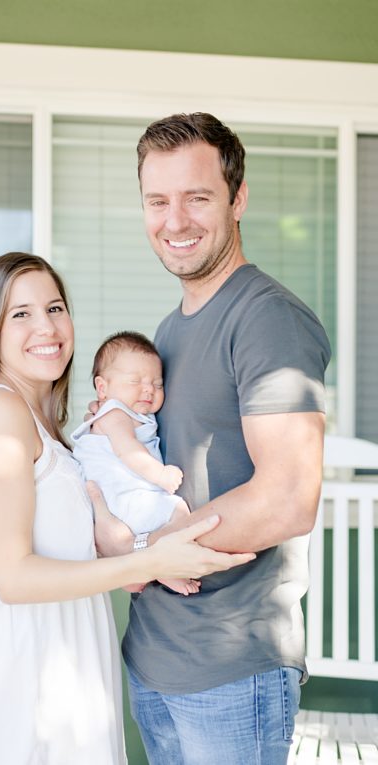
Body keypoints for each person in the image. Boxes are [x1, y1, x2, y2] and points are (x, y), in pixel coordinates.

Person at [0, 252, 255, 764]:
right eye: (21, 314)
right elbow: (12, 578)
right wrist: (152, 561)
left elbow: (76, 543)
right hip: (27, 676)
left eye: (56, 307)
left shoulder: (47, 424)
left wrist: (143, 544)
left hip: (66, 662)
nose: (48, 326)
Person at [92, 113, 331, 765]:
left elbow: (288, 496)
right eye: (157, 201)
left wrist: (143, 552)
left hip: (231, 670)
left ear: (238, 197)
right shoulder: (166, 333)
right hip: (154, 653)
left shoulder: (266, 319)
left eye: (197, 197)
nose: (175, 220)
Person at [70, 331, 194, 595]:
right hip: (121, 499)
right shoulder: (115, 413)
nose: (148, 389)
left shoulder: (125, 412)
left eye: (157, 384)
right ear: (102, 388)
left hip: (121, 502)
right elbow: (129, 451)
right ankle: (162, 568)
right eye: (135, 381)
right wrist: (160, 475)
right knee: (180, 511)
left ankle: (142, 573)